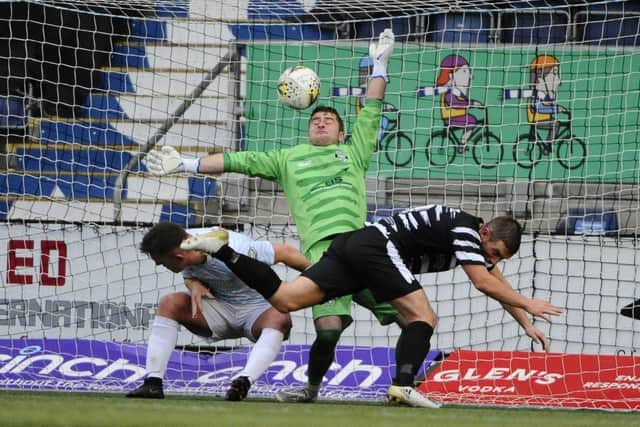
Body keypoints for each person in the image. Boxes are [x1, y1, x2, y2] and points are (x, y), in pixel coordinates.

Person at [144, 29, 402, 403]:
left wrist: (379, 64)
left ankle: (408, 382)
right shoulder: (288, 158)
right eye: (317, 119)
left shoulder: (355, 152)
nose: (322, 121)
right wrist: (186, 163)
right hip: (325, 257)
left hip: (366, 250)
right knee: (328, 330)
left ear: (343, 132)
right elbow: (238, 161)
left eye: (330, 119)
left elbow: (373, 107)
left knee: (411, 316)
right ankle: (311, 390)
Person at [179, 205, 562, 408]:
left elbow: (494, 277)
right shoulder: (466, 229)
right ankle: (403, 385)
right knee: (423, 316)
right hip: (378, 248)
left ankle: (222, 249)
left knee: (284, 299)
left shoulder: (475, 241)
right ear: (485, 233)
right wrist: (528, 302)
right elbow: (482, 282)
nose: (490, 257)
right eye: (491, 250)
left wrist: (525, 321)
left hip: (356, 246)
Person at [126, 222, 311, 401]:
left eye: (162, 261)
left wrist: (317, 278)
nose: (158, 265)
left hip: (260, 311)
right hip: (220, 309)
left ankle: (244, 381)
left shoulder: (238, 247)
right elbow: (189, 275)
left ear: (179, 257)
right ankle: (153, 382)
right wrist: (194, 285)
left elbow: (285, 252)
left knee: (280, 316)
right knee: (170, 303)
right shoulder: (183, 242)